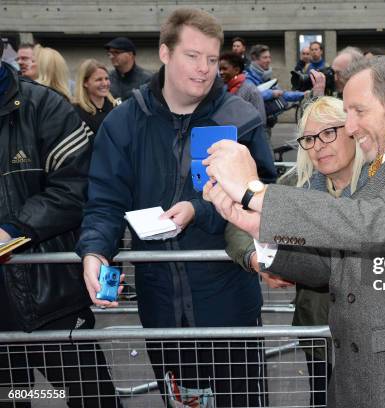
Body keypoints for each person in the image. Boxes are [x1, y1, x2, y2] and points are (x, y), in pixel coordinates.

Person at [203, 55, 385, 407]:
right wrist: (254, 225)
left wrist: (255, 191)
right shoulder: (375, 173)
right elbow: (331, 265)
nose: (350, 127)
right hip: (356, 378)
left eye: (358, 111)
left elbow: (377, 224)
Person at [77, 8, 274, 407]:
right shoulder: (124, 123)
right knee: (181, 400)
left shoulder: (241, 119)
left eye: (212, 59)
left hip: (230, 307)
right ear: (165, 53)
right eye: (192, 55)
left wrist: (198, 210)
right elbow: (105, 200)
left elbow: (263, 195)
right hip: (162, 309)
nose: (204, 69)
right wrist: (95, 251)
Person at [225, 96, 368, 407]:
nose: (318, 145)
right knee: (321, 398)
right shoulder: (296, 184)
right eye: (309, 138)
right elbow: (239, 225)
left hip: (370, 334)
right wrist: (256, 258)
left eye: (329, 132)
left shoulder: (382, 184)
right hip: (316, 327)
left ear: (354, 131)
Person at [0, 44, 121, 408]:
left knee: (90, 398)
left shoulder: (44, 106)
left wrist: (12, 228)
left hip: (51, 295)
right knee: (11, 397)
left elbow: (78, 185)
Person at [245, 44, 305, 128]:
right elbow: (250, 96)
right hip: (253, 125)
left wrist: (303, 94)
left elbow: (282, 94)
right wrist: (271, 93)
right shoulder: (247, 77)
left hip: (265, 123)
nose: (269, 60)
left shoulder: (265, 77)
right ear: (255, 59)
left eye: (269, 57)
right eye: (265, 57)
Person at [219, 52, 266, 124]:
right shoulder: (222, 89)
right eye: (220, 69)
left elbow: (261, 120)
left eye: (224, 69)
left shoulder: (250, 90)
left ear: (237, 70)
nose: (221, 72)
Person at [73, 59, 118, 133]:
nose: (105, 83)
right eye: (99, 80)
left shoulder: (115, 106)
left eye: (106, 79)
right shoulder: (76, 112)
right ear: (85, 83)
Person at [105, 36, 152, 101]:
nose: (112, 56)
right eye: (110, 53)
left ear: (130, 54)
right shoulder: (107, 78)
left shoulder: (147, 80)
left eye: (116, 52)